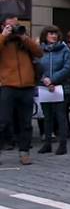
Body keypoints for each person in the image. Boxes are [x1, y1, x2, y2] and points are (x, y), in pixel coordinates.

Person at [0, 15, 44, 165]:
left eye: (16, 25)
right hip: (7, 85)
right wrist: (3, 36)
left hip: (27, 86)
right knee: (3, 121)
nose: (15, 28)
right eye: (11, 26)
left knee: (26, 122)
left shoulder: (24, 41)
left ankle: (24, 152)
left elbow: (39, 52)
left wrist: (24, 38)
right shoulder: (3, 41)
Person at [37, 25, 70, 156]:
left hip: (61, 87)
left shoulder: (65, 49)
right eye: (50, 34)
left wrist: (53, 80)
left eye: (55, 34)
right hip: (44, 87)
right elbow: (35, 66)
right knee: (47, 117)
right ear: (45, 36)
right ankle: (47, 143)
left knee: (61, 116)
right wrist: (44, 80)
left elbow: (68, 67)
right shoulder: (39, 50)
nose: (53, 36)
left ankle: (62, 144)